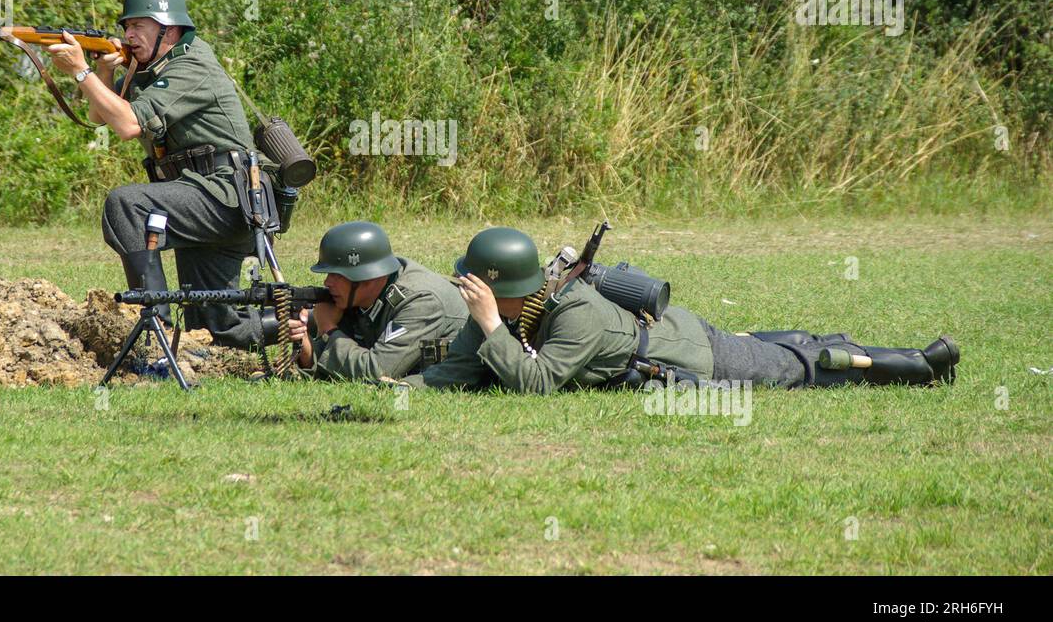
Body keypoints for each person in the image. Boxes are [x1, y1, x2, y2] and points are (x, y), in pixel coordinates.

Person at [402, 227, 959, 394]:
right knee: (782, 347)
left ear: (504, 291)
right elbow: (459, 372)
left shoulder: (575, 314)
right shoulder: (518, 308)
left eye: (477, 281)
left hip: (691, 354)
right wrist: (394, 385)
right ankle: (844, 345)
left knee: (798, 369)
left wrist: (492, 323)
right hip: (676, 334)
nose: (467, 287)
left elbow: (539, 382)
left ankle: (911, 364)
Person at [45, 0, 263, 348]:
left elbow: (128, 125)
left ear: (170, 29)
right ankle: (307, 326)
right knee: (216, 326)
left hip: (226, 194)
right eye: (126, 26)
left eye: (139, 26)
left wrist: (80, 72)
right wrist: (104, 72)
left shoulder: (191, 65)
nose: (129, 34)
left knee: (126, 204)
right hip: (202, 195)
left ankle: (154, 328)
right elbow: (101, 117)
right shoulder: (154, 66)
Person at [289, 222, 469, 380]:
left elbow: (377, 370)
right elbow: (341, 356)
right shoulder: (364, 294)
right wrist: (305, 345)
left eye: (337, 275)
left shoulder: (420, 302)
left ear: (367, 277)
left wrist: (328, 328)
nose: (327, 282)